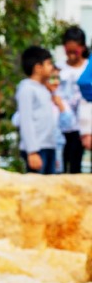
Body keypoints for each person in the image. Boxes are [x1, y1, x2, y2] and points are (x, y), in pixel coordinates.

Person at [17, 45, 59, 175]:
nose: (51, 67)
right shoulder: (27, 89)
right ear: (38, 67)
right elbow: (26, 121)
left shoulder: (44, 89)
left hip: (48, 147)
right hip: (36, 149)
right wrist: (32, 151)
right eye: (49, 64)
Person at [58, 26, 90, 173]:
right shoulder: (58, 68)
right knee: (67, 164)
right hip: (65, 125)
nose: (71, 55)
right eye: (68, 51)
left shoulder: (88, 67)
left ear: (83, 48)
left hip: (86, 124)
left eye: (74, 51)